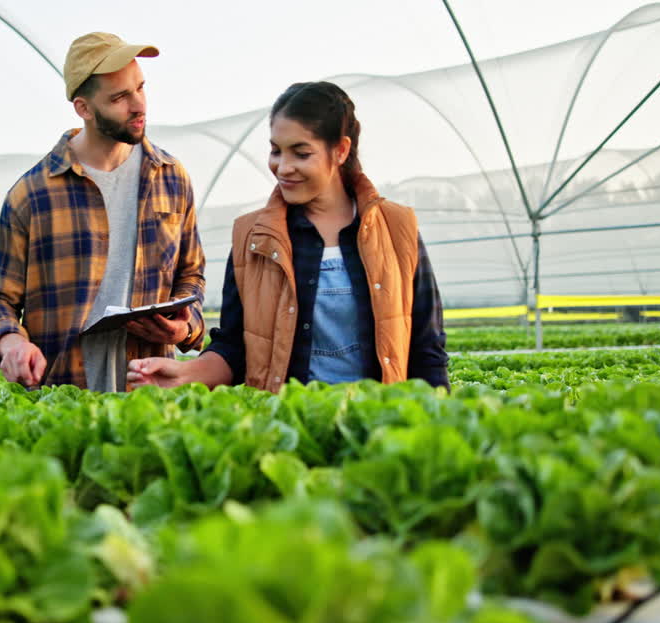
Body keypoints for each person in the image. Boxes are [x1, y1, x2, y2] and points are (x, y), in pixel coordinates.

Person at [127, 81, 449, 393]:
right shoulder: (252, 237)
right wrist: (186, 373)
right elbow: (235, 347)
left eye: (301, 153)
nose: (283, 167)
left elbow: (426, 350)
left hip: (379, 431)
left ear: (340, 150)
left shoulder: (397, 228)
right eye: (276, 151)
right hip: (288, 428)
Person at [0, 31, 206, 391]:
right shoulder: (32, 195)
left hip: (149, 397)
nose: (138, 105)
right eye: (119, 97)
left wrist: (185, 326)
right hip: (61, 398)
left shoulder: (171, 178)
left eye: (140, 88)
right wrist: (13, 344)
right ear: (83, 108)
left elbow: (191, 275)